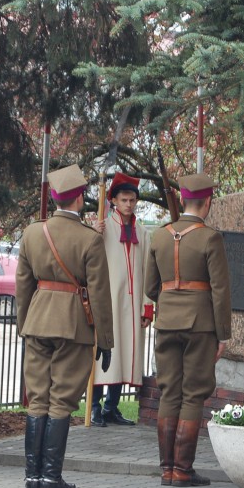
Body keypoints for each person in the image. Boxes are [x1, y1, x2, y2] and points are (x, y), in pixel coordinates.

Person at [16, 165, 113, 488]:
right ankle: (50, 478)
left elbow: (22, 286)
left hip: (37, 320)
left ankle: (32, 477)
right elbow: (99, 293)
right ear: (81, 198)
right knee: (60, 401)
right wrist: (107, 340)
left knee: (38, 398)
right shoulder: (90, 238)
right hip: (73, 325)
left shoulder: (32, 233)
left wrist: (23, 325)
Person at [145, 173, 231, 488]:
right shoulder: (210, 238)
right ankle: (182, 469)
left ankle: (166, 468)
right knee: (193, 393)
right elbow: (221, 290)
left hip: (166, 321)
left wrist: (171, 305)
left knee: (169, 391)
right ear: (207, 202)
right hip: (200, 325)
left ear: (183, 200)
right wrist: (223, 333)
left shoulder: (159, 235)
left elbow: (150, 287)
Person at [90, 172, 153, 427]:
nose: (129, 204)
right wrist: (93, 233)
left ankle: (111, 408)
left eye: (133, 200)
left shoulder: (142, 231)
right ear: (114, 200)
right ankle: (94, 407)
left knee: (124, 353)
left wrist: (147, 306)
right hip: (109, 303)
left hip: (133, 303)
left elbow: (148, 270)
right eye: (124, 200)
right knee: (104, 354)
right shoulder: (103, 228)